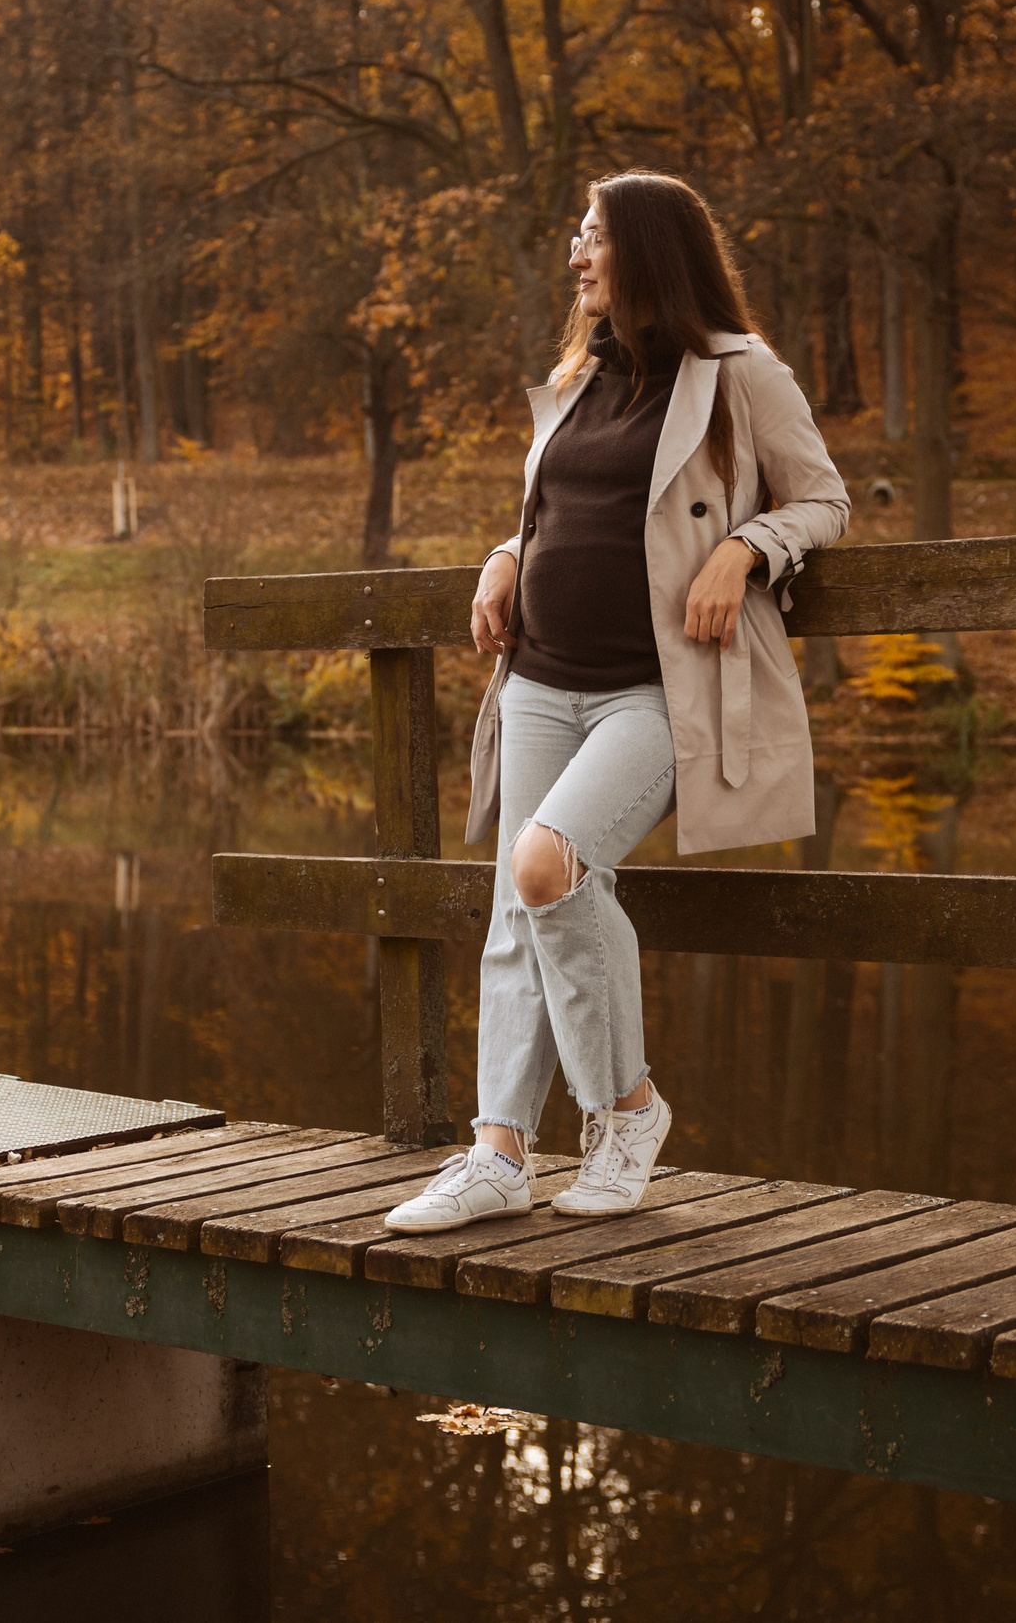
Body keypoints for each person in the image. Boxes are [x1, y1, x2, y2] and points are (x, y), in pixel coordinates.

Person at [384, 171, 851, 1234]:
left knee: (546, 865)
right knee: (516, 904)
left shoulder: (739, 374)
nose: (575, 255)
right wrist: (504, 555)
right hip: (541, 676)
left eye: (590, 237)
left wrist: (744, 544)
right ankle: (497, 1149)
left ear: (645, 250)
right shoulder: (576, 380)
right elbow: (561, 511)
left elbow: (823, 498)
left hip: (656, 691)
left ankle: (626, 1109)